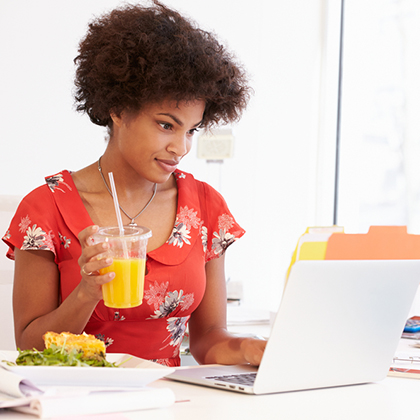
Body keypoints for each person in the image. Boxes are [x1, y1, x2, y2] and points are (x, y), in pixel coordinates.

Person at [2, 0, 266, 367]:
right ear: (118, 108)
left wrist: (251, 348)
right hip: (79, 393)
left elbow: (207, 339)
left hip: (170, 395)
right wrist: (87, 292)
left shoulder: (205, 207)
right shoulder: (45, 209)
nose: (181, 148)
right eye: (166, 125)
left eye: (192, 130)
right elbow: (29, 347)